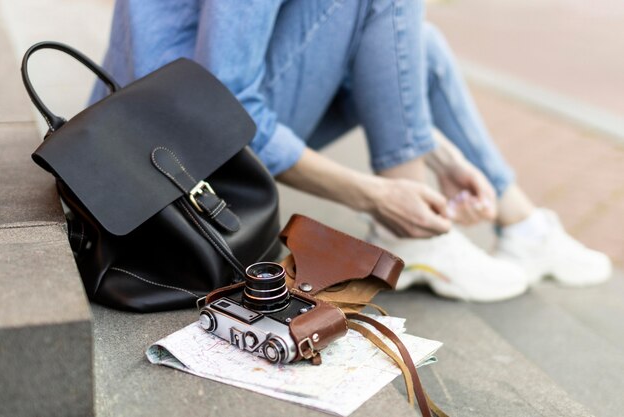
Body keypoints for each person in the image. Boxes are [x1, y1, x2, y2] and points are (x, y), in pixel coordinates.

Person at [92, 0, 612, 302]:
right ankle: (412, 230)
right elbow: (222, 102)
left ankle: (521, 224)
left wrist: (444, 158)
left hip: (163, 124)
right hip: (169, 157)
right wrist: (376, 195)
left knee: (417, 41)